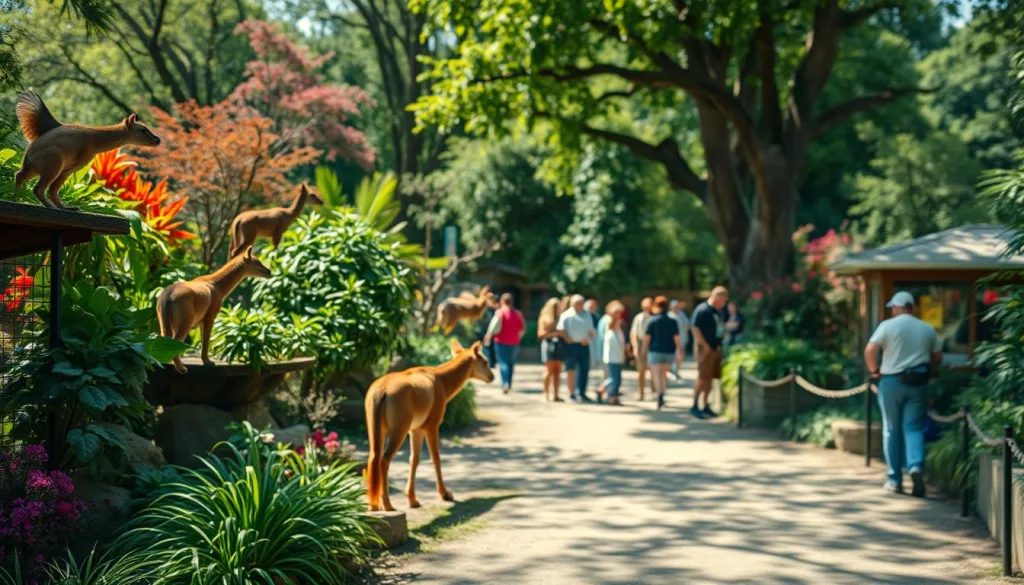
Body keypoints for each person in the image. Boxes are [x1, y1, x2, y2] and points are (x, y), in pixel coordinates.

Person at [864, 291, 941, 498]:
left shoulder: (887, 326)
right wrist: (931, 370)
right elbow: (937, 356)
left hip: (891, 381)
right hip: (918, 382)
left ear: (897, 308)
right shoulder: (926, 328)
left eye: (892, 307)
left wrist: (874, 372)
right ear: (912, 307)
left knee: (891, 429)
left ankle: (894, 479)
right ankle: (915, 467)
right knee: (913, 427)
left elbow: (870, 350)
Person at [691, 287, 728, 419]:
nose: (724, 303)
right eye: (723, 300)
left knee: (711, 378)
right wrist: (704, 345)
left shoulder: (717, 311)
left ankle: (705, 404)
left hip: (715, 348)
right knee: (703, 377)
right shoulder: (702, 310)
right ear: (717, 297)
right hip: (706, 349)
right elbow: (695, 328)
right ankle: (694, 405)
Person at [644, 296, 681, 411]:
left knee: (656, 375)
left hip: (655, 351)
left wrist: (642, 352)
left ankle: (659, 394)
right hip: (669, 351)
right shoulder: (672, 321)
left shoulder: (652, 320)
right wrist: (680, 350)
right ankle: (662, 393)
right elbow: (677, 338)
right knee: (664, 374)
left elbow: (647, 339)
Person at [557, 294, 596, 403]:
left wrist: (588, 338)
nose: (579, 305)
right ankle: (571, 393)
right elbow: (560, 329)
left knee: (584, 369)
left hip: (584, 345)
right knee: (571, 369)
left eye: (581, 303)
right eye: (577, 303)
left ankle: (582, 393)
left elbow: (591, 330)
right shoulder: (566, 315)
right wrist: (568, 339)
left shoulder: (587, 315)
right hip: (571, 345)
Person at [484, 293, 525, 394]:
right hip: (514, 342)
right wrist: (517, 338)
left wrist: (488, 336)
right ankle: (509, 383)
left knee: (503, 363)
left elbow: (493, 327)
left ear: (502, 301)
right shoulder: (517, 313)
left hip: (501, 341)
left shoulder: (500, 312)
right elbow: (522, 329)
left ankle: (505, 383)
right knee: (510, 363)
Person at [537, 297, 568, 402]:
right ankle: (545, 393)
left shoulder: (561, 318)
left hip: (559, 345)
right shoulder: (545, 318)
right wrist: (554, 333)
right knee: (549, 371)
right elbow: (540, 334)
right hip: (549, 345)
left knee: (558, 371)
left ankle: (556, 394)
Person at [596, 300, 625, 403]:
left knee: (614, 377)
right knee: (613, 377)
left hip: (615, 355)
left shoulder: (616, 324)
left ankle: (612, 395)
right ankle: (609, 395)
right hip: (610, 355)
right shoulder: (607, 322)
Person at [629, 297, 655, 401]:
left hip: (652, 345)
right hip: (640, 344)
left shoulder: (654, 318)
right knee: (641, 370)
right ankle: (641, 392)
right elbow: (633, 333)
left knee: (653, 370)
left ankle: (654, 391)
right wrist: (635, 347)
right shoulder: (639, 318)